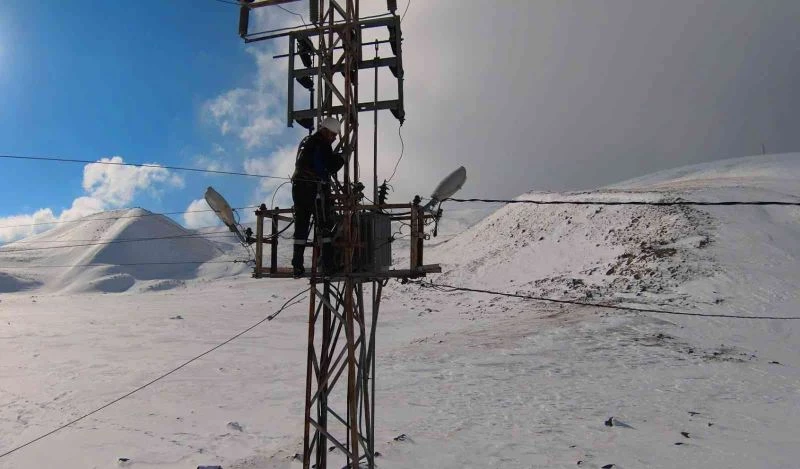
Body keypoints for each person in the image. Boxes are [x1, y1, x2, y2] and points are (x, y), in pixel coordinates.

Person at [291, 117, 347, 277]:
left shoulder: (308, 143)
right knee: (324, 226)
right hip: (313, 190)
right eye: (333, 135)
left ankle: (297, 266)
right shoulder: (322, 145)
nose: (334, 138)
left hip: (298, 188)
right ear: (326, 131)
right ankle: (328, 266)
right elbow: (329, 166)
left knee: (301, 226)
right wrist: (342, 158)